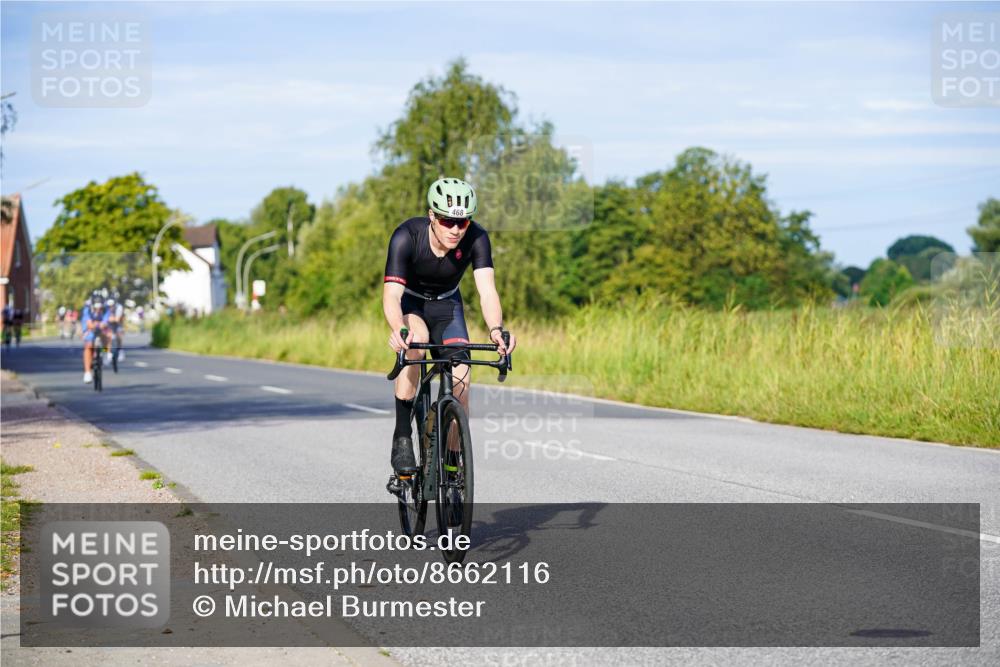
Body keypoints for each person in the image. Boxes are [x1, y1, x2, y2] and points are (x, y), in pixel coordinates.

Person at [383, 177, 517, 472]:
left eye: (463, 222)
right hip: (413, 304)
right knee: (414, 348)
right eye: (447, 221)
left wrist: (496, 329)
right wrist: (398, 328)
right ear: (432, 215)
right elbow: (392, 295)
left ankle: (454, 462)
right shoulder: (406, 236)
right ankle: (403, 436)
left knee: (462, 381)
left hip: (448, 306)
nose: (456, 230)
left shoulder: (477, 238)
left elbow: (487, 290)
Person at [80, 292, 111, 383]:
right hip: (90, 327)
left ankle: (104, 352)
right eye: (96, 307)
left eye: (99, 307)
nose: (98, 309)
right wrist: (92, 326)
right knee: (88, 345)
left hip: (101, 326)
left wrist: (102, 325)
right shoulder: (87, 309)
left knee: (106, 337)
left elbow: (105, 322)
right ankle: (87, 372)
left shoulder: (106, 309)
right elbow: (88, 323)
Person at [106, 294, 125, 362]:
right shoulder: (105, 307)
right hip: (108, 325)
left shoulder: (119, 307)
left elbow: (117, 319)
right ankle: (107, 353)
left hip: (117, 324)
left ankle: (120, 351)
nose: (110, 307)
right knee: (108, 337)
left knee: (119, 335)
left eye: (112, 305)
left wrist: (109, 319)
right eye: (109, 306)